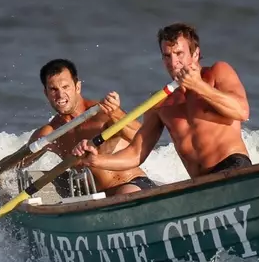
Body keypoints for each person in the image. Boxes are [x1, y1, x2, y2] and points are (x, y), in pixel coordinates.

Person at [72, 22, 252, 179]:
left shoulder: (217, 73)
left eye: (179, 53)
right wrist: (96, 160)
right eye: (167, 56)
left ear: (195, 54)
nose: (173, 63)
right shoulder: (160, 102)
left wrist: (198, 86)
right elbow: (136, 154)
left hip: (233, 167)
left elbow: (241, 112)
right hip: (200, 183)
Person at [20, 58, 159, 196]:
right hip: (93, 197)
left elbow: (144, 137)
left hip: (131, 185)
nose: (60, 94)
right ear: (46, 93)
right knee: (31, 183)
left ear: (77, 87)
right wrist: (0, 183)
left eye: (65, 87)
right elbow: (18, 163)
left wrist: (116, 113)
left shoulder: (103, 114)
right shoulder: (50, 133)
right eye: (53, 89)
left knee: (127, 192)